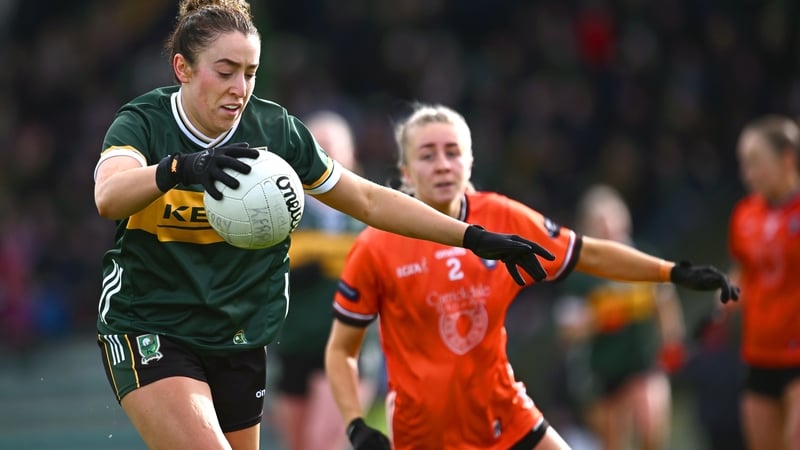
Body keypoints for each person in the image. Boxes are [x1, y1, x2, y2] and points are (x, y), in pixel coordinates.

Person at [91, 2, 556, 449]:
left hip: (236, 334)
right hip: (149, 322)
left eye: (250, 73)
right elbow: (108, 196)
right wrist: (180, 169)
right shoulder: (145, 122)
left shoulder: (275, 132)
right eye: (226, 71)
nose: (240, 87)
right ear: (183, 68)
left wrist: (471, 237)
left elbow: (368, 199)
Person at [324, 103, 738, 450]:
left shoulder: (501, 217)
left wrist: (670, 272)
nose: (443, 164)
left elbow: (586, 252)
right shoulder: (377, 245)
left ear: (470, 162)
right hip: (425, 431)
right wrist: (355, 424)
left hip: (503, 409)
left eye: (453, 152)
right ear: (406, 171)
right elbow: (342, 350)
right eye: (428, 155)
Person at [271, 110, 380, 450]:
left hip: (348, 348)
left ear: (351, 154)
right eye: (313, 145)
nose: (321, 153)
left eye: (329, 145)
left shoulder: (370, 215)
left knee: (323, 444)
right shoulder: (274, 214)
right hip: (292, 347)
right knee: (300, 445)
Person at [554, 184, 686, 450]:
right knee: (614, 443)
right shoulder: (580, 276)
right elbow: (567, 329)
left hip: (642, 362)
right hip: (601, 372)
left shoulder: (644, 258)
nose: (608, 227)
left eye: (612, 219)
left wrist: (673, 341)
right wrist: (602, 315)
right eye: (599, 222)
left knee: (652, 425)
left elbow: (665, 301)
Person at [729, 114, 800, 450]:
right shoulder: (744, 215)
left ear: (787, 158)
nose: (748, 174)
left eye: (756, 162)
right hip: (758, 352)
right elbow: (743, 273)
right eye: (744, 164)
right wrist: (726, 295)